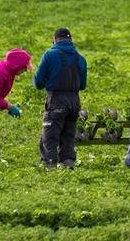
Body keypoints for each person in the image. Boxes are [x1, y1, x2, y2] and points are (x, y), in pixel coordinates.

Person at [34, 28, 88, 169]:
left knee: (50, 133)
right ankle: (67, 162)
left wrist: (48, 80)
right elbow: (82, 85)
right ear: (70, 40)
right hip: (74, 101)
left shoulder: (50, 55)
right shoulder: (80, 58)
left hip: (56, 99)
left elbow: (38, 82)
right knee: (68, 134)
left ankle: (49, 163)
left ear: (55, 39)